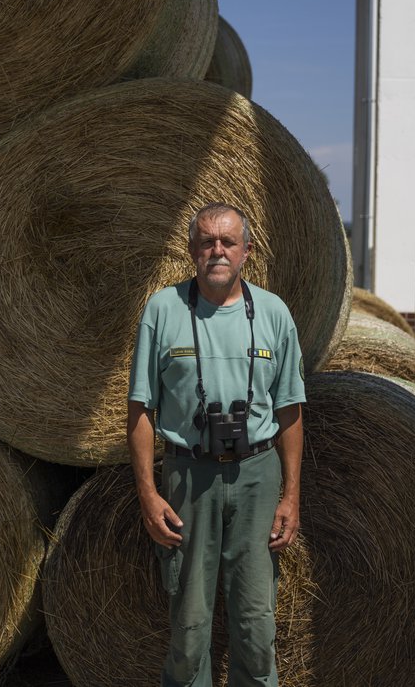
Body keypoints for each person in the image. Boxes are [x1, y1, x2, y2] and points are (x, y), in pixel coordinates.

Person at [127, 202, 306, 687]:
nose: (217, 251)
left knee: (255, 625)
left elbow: (289, 409)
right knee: (189, 628)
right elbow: (140, 409)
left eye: (228, 241)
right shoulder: (163, 309)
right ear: (192, 251)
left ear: (246, 251)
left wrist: (290, 495)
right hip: (189, 475)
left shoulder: (273, 313)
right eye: (207, 242)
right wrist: (148, 494)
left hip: (257, 475)